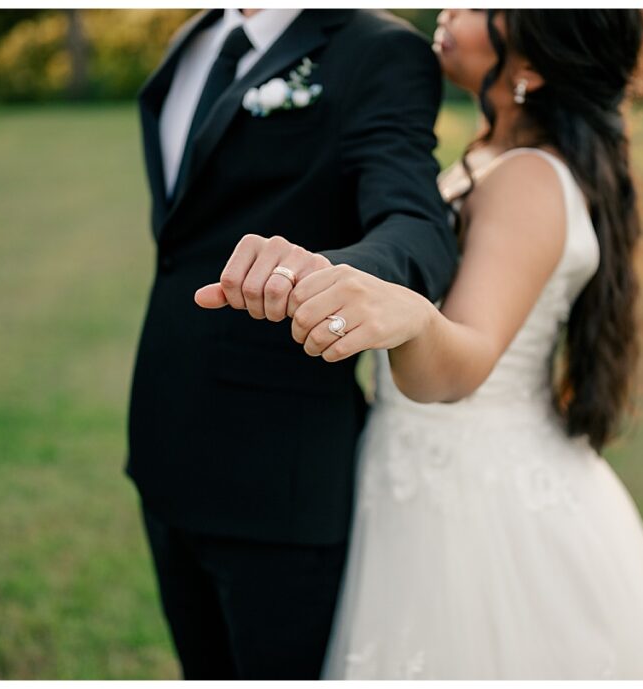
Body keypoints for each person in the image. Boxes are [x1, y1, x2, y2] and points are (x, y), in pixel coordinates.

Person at [199, 7, 643, 680]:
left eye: (485, 10)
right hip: (415, 463)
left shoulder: (526, 180)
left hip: (476, 501)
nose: (451, 11)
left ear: (529, 67)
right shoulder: (492, 157)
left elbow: (465, 355)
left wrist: (409, 316)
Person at [127, 8, 457, 680]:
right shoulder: (196, 36)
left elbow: (415, 222)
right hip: (164, 443)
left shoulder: (379, 51)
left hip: (276, 476)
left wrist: (342, 277)